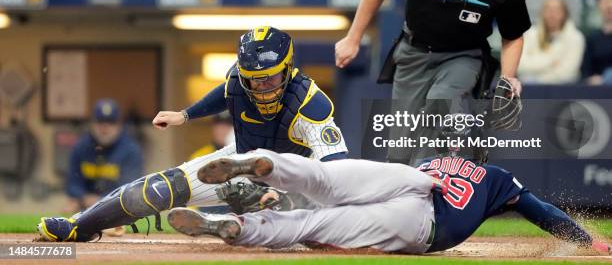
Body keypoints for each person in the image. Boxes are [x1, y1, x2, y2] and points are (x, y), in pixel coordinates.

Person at [38, 26, 349, 242]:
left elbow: (337, 168)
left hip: (297, 182)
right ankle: (79, 225)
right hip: (243, 162)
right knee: (155, 191)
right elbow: (226, 92)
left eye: (269, 79)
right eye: (253, 81)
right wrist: (184, 115)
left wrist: (335, 211)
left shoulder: (310, 103)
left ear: (287, 68)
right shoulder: (237, 83)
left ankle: (244, 220)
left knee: (279, 212)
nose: (261, 87)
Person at [335, 0, 531, 165]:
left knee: (441, 102)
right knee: (399, 153)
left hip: (463, 56)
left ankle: (461, 150)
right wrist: (353, 37)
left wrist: (508, 78)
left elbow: (513, 35)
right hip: (413, 53)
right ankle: (407, 196)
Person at [165, 150, 611, 256]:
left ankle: (256, 164)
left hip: (410, 177)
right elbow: (541, 211)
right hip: (420, 222)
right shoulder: (498, 179)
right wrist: (584, 238)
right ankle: (239, 229)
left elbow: (418, 176)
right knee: (310, 226)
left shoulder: (436, 161)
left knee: (320, 177)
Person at [66, 99, 143, 236]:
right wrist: (82, 197)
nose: (105, 128)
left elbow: (131, 188)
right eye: (100, 122)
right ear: (92, 123)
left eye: (111, 123)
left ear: (119, 125)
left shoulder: (130, 150)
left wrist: (100, 200)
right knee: (68, 210)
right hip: (83, 208)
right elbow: (72, 182)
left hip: (117, 210)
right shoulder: (81, 147)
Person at [518, 0, 585, 84]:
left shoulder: (576, 37)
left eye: (557, 10)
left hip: (563, 89)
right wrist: (551, 61)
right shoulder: (530, 34)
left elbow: (568, 72)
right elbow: (519, 66)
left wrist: (538, 79)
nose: (552, 14)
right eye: (548, 9)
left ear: (564, 13)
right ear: (542, 13)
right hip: (529, 87)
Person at [581, 0, 612, 85]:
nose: (610, 6)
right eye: (606, 0)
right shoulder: (592, 38)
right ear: (599, 4)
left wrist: (605, 78)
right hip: (597, 92)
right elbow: (585, 72)